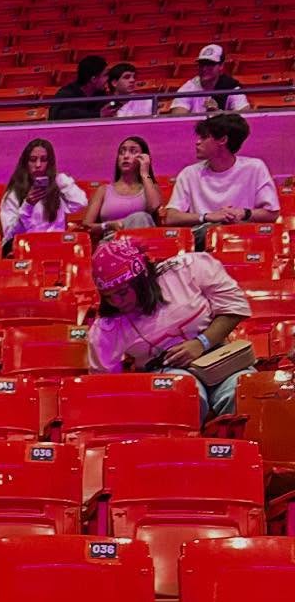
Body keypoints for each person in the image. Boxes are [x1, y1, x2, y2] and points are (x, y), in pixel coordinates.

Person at [87, 232, 252, 422]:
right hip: (164, 372)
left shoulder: (188, 268)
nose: (116, 302)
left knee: (243, 390)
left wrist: (202, 342)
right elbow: (103, 384)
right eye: (108, 296)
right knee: (181, 394)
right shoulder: (106, 327)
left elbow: (235, 308)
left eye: (122, 292)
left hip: (215, 356)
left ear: (142, 280)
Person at [163, 111, 278, 236]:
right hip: (203, 236)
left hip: (241, 236)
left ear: (223, 140)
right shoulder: (189, 173)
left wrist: (243, 213)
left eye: (204, 137)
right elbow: (171, 217)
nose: (197, 142)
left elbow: (272, 214)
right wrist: (207, 217)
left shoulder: (255, 168)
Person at [0, 138, 87, 247]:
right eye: (33, 160)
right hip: (27, 248)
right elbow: (10, 235)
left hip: (56, 246)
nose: (38, 165)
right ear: (25, 163)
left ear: (50, 163)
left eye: (44, 160)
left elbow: (81, 202)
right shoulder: (13, 195)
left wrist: (60, 179)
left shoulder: (58, 188)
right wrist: (27, 206)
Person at [81, 136, 162, 235]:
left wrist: (145, 173)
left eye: (133, 151)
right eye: (122, 152)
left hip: (141, 239)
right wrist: (107, 225)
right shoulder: (103, 190)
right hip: (111, 240)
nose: (126, 156)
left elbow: (153, 206)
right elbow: (87, 227)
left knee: (141, 217)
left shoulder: (150, 187)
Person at [169, 43, 251, 116]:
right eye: (202, 64)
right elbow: (177, 118)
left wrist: (220, 114)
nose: (204, 69)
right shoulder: (188, 88)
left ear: (221, 66)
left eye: (210, 64)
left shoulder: (230, 87)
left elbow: (245, 115)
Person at [49, 55, 109, 121]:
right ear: (93, 79)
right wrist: (98, 115)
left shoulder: (101, 94)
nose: (108, 78)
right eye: (105, 75)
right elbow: (58, 117)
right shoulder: (66, 95)